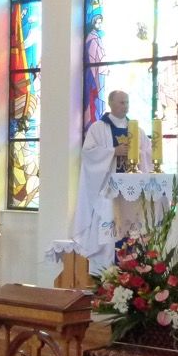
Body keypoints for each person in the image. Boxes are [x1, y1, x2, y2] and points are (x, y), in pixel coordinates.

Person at [71, 90, 152, 273]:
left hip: (132, 195)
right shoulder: (98, 128)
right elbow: (88, 153)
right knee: (110, 232)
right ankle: (108, 273)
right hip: (109, 192)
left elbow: (148, 153)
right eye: (122, 102)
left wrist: (136, 154)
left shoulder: (137, 130)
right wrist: (113, 152)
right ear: (110, 103)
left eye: (127, 102)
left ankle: (133, 271)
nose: (125, 106)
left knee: (133, 231)